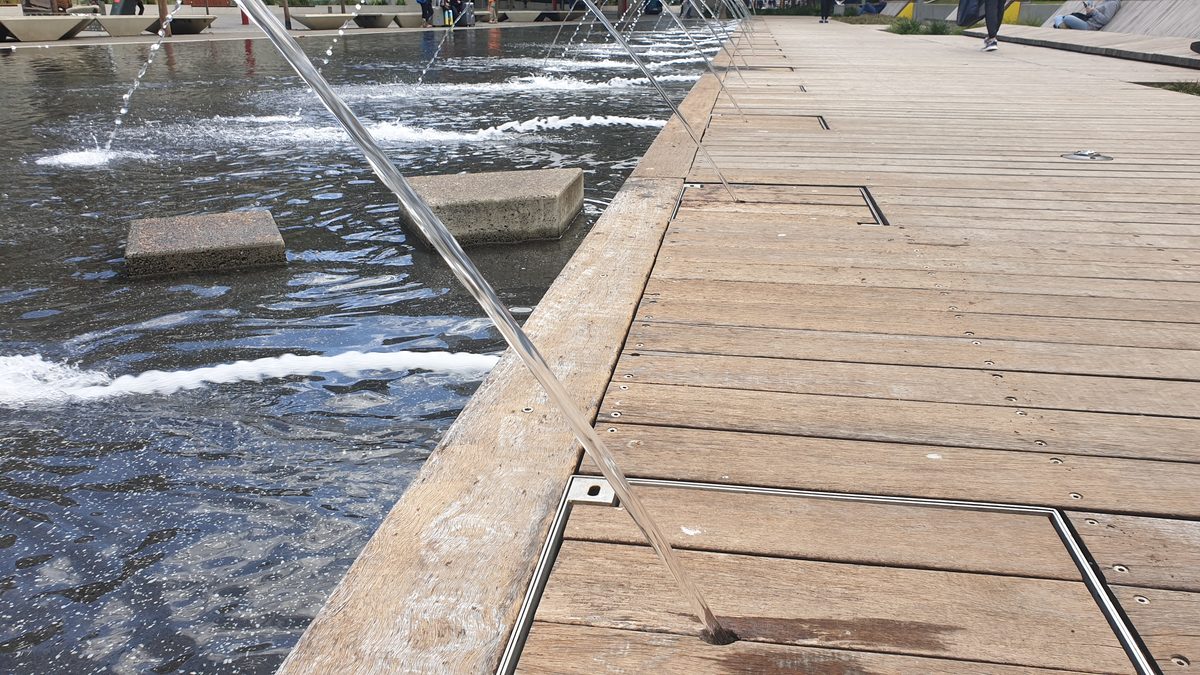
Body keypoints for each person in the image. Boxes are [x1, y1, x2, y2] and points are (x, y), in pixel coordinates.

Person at [1053, 0, 1120, 30]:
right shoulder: (1106, 2)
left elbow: (1105, 20)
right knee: (1057, 17)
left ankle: (1062, 26)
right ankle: (1063, 27)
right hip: (1087, 20)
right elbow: (1093, 14)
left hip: (1090, 26)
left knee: (1067, 18)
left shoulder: (1112, 3)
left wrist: (1093, 11)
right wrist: (1089, 10)